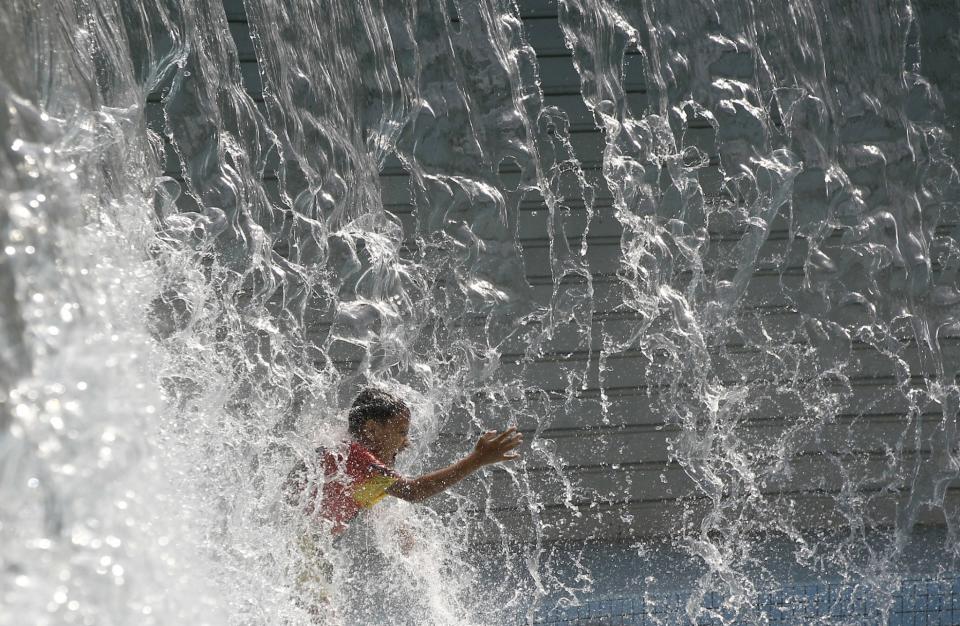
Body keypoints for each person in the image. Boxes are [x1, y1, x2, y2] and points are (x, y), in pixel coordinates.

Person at [285, 387, 523, 617]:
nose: (406, 442)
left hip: (302, 543)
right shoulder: (356, 458)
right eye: (401, 432)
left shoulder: (348, 454)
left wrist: (403, 537)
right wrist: (476, 460)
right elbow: (413, 491)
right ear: (371, 430)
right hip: (298, 544)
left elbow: (360, 497)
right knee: (325, 617)